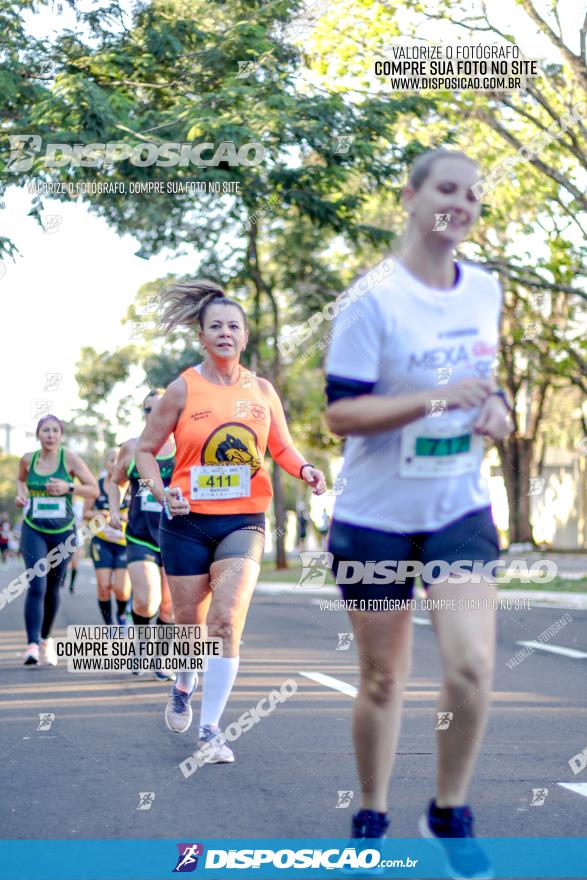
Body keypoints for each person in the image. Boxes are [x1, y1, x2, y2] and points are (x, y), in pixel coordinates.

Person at [325, 149, 513, 879]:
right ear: (409, 197)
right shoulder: (371, 300)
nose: (460, 203)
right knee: (382, 679)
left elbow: (485, 382)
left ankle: (448, 809)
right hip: (375, 518)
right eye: (445, 188)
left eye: (472, 194)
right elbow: (341, 413)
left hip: (456, 507)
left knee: (470, 668)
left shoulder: (486, 289)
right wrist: (434, 400)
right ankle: (370, 811)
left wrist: (492, 410)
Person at [135, 280, 326, 762]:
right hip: (186, 521)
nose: (225, 332)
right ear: (202, 336)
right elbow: (144, 450)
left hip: (243, 518)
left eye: (234, 326)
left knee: (224, 621)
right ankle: (183, 682)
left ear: (244, 338)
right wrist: (162, 491)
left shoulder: (260, 390)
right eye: (215, 325)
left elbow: (280, 446)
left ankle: (211, 731)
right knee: (188, 624)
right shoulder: (182, 388)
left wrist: (304, 469)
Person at [16, 415, 99, 665]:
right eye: (45, 430)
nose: (50, 435)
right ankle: (31, 645)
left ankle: (45, 640)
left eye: (54, 431)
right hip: (33, 528)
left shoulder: (69, 458)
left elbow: (93, 489)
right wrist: (21, 496)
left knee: (53, 587)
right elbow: (21, 480)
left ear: (60, 435)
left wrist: (68, 488)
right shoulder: (28, 459)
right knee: (37, 584)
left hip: (63, 532)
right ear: (38, 434)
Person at [108, 390, 176, 681]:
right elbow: (115, 482)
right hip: (140, 535)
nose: (154, 413)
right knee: (147, 601)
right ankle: (139, 643)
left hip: (176, 537)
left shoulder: (184, 446)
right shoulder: (132, 447)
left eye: (160, 408)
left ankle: (162, 659)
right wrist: (113, 509)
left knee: (169, 606)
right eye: (149, 409)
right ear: (143, 413)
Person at [84, 448, 131, 628]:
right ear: (106, 464)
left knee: (121, 590)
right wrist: (99, 513)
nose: (116, 463)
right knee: (103, 588)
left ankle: (120, 614)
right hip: (102, 542)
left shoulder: (132, 487)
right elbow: (85, 513)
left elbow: (141, 511)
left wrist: (127, 516)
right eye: (112, 460)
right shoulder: (97, 487)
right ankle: (109, 624)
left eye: (120, 459)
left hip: (124, 543)